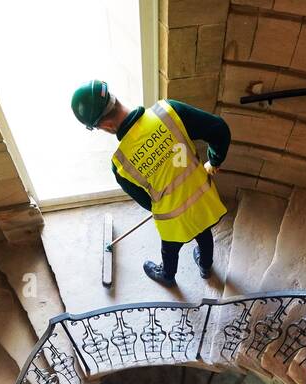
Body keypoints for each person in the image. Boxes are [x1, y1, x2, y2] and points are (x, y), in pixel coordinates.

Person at [70, 79, 230, 284]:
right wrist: (214, 161)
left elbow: (147, 203)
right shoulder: (169, 111)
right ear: (113, 98)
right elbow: (219, 129)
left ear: (107, 125)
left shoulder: (120, 164)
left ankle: (167, 275)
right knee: (204, 232)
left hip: (173, 220)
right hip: (203, 201)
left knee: (170, 249)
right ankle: (206, 267)